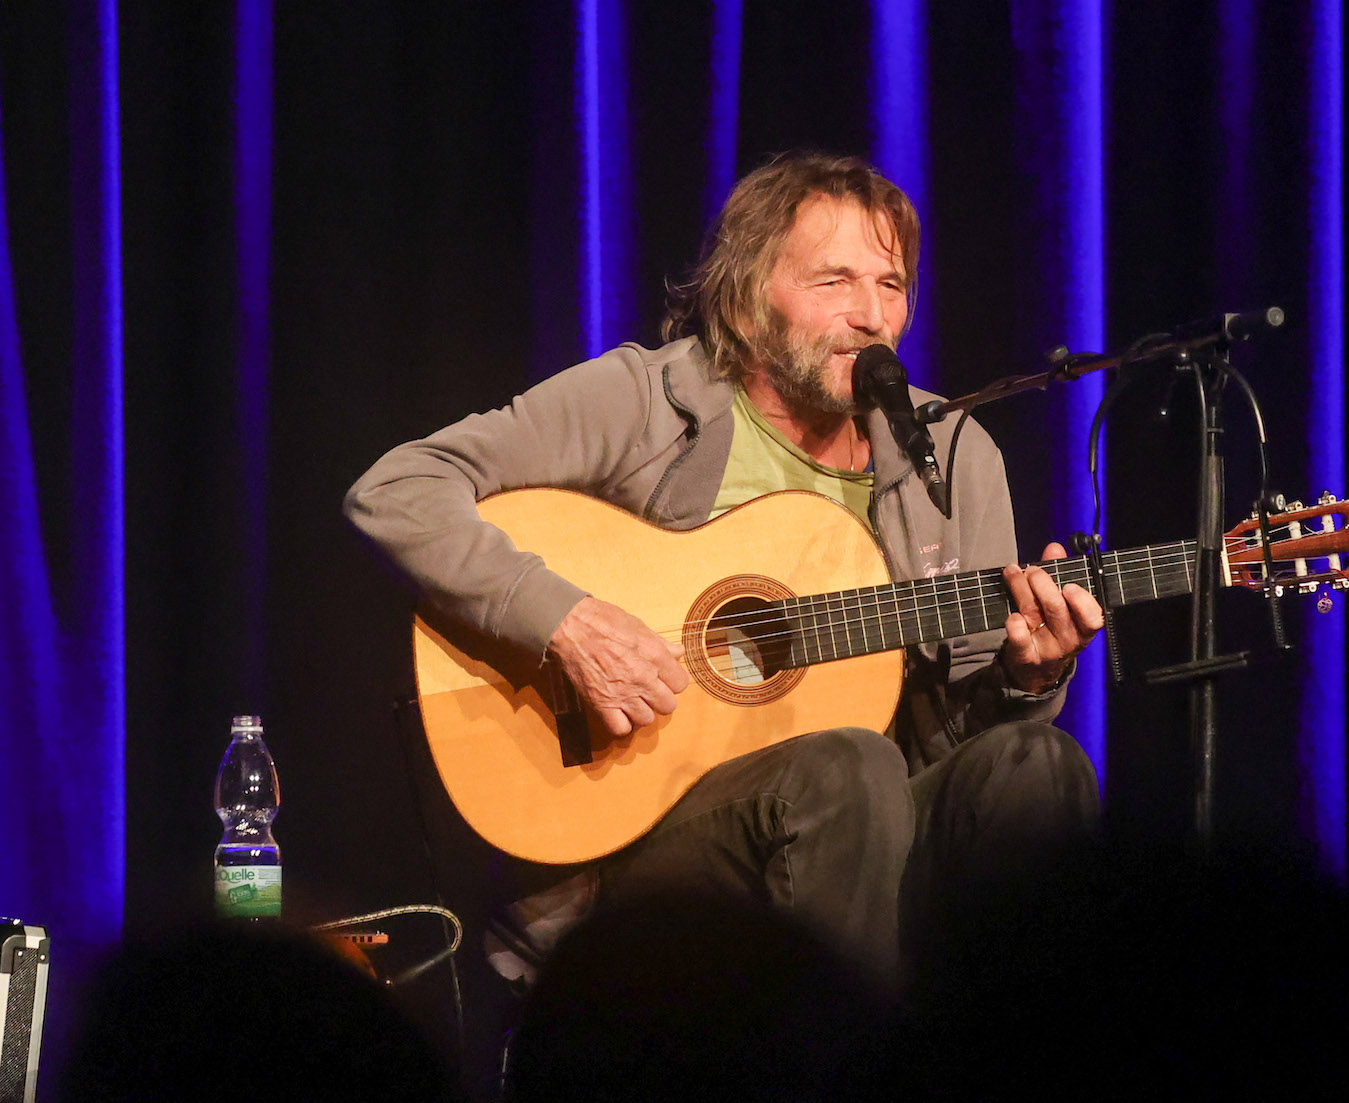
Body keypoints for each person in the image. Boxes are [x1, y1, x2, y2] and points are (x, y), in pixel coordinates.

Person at [344, 151, 1104, 986]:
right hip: (648, 844)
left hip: (871, 824)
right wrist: (563, 617)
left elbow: (956, 747)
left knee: (1041, 764)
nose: (870, 314)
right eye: (832, 282)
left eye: (890, 284)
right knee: (848, 766)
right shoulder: (649, 401)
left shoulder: (953, 454)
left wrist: (1027, 677)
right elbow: (398, 488)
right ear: (746, 297)